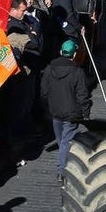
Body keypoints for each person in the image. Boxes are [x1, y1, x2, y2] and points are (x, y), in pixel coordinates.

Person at [40, 38, 91, 179]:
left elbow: (44, 92)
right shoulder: (78, 72)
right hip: (71, 113)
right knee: (65, 142)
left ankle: (64, 166)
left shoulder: (49, 70)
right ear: (74, 55)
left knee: (61, 140)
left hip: (55, 112)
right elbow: (82, 95)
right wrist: (85, 113)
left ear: (61, 52)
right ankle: (62, 170)